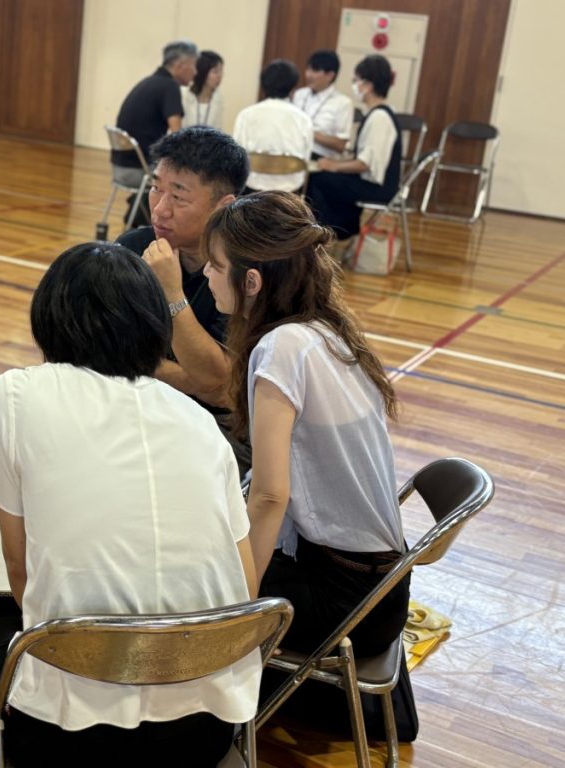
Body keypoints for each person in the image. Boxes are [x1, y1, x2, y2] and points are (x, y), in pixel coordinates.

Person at [0, 242, 259, 768]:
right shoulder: (198, 421)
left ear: (48, 318)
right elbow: (246, 581)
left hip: (74, 731)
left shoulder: (13, 394)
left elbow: (19, 569)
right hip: (205, 729)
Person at [201, 190, 408, 671]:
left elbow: (270, 495)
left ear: (252, 281)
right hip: (381, 588)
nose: (206, 272)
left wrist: (242, 610)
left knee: (186, 578)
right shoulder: (325, 331)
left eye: (215, 264)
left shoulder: (282, 347)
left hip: (345, 600)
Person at [115, 126, 251, 475]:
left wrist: (171, 293)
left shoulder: (243, 274)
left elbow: (219, 388)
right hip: (140, 408)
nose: (160, 210)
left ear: (223, 206)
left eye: (179, 198)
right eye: (155, 188)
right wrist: (184, 375)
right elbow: (96, 349)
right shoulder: (132, 248)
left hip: (220, 430)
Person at [306, 54, 402, 240]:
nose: (354, 85)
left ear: (368, 85)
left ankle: (326, 233)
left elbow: (365, 164)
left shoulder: (379, 118)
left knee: (319, 179)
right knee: (323, 176)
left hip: (378, 188)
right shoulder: (377, 113)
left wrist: (333, 166)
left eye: (356, 80)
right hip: (371, 182)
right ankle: (332, 230)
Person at [112, 40, 199, 226]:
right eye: (193, 65)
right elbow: (178, 135)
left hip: (121, 167)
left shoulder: (149, 82)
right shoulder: (169, 86)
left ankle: (136, 213)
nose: (195, 72)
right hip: (141, 171)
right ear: (180, 65)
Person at [232, 59, 313, 192]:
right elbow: (306, 161)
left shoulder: (246, 115)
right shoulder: (304, 119)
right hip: (289, 194)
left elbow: (237, 158)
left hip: (250, 192)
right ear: (293, 88)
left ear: (263, 85)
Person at [291, 49, 354, 161]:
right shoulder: (299, 94)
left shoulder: (342, 103)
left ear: (330, 75)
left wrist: (309, 132)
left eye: (315, 70)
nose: (308, 75)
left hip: (320, 159)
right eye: (308, 69)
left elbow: (341, 145)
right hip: (293, 152)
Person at [182, 50, 225, 129]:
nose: (220, 76)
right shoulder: (184, 95)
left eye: (221, 71)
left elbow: (218, 129)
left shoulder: (218, 98)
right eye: (215, 71)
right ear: (202, 72)